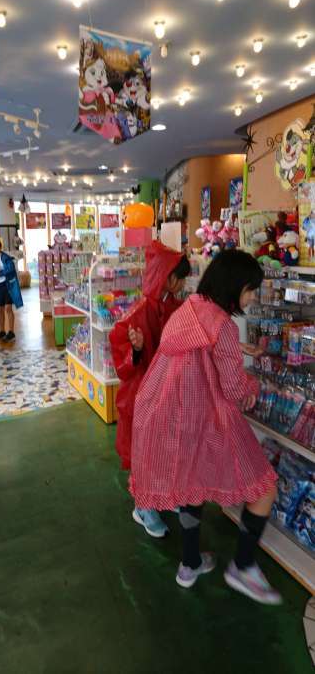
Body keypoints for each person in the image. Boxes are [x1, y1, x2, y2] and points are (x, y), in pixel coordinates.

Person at [130, 250, 281, 605]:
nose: (252, 297)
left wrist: (233, 348)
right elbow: (234, 388)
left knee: (190, 486)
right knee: (264, 487)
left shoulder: (189, 308)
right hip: (204, 418)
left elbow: (197, 348)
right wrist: (256, 386)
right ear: (235, 286)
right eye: (250, 290)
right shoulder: (223, 325)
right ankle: (243, 566)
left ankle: (190, 562)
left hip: (166, 415)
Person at [110, 241, 191, 538]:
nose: (182, 284)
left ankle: (162, 495)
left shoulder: (173, 305)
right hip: (142, 392)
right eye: (179, 278)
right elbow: (121, 354)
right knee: (144, 450)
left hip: (166, 390)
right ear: (167, 277)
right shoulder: (140, 311)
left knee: (164, 447)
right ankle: (143, 506)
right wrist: (136, 348)